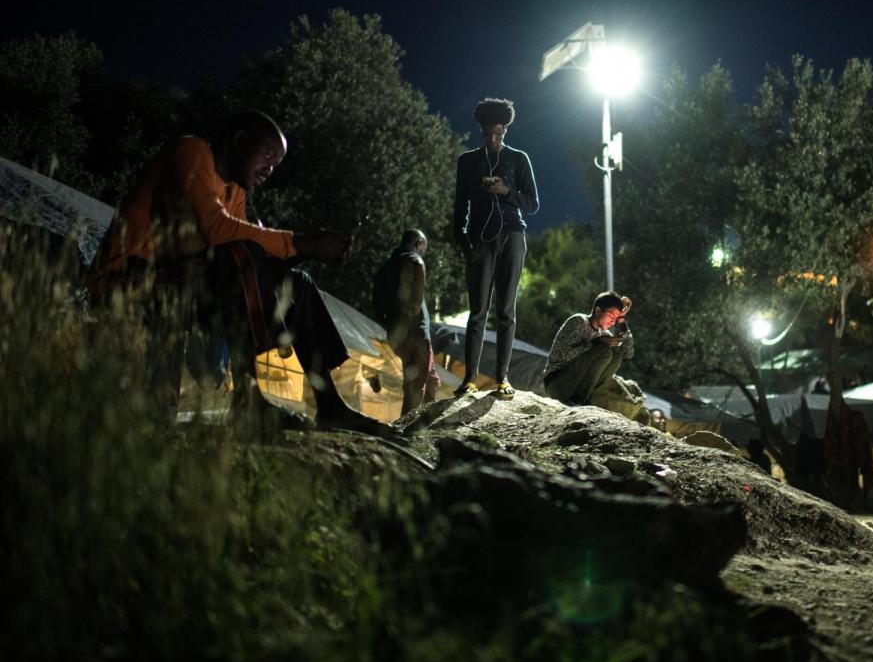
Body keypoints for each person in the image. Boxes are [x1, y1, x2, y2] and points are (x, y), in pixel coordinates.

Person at [88, 110, 373, 430]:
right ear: (239, 140)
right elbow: (217, 231)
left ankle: (332, 405)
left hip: (181, 279)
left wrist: (303, 253)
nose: (269, 169)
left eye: (276, 164)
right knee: (242, 254)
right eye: (267, 155)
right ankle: (250, 400)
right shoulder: (192, 152)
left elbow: (244, 254)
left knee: (299, 283)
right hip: (129, 279)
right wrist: (299, 243)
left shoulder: (235, 192)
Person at [452, 97, 539, 399]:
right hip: (480, 238)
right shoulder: (468, 161)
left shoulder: (519, 159)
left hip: (513, 236)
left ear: (505, 130)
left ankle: (503, 379)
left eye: (498, 134)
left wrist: (506, 191)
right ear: (481, 130)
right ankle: (469, 379)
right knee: (477, 311)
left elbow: (533, 204)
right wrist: (461, 236)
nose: (492, 139)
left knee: (506, 311)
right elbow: (459, 203)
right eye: (488, 133)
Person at [373, 228, 440, 414]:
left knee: (431, 381)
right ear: (418, 244)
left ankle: (424, 425)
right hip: (417, 334)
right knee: (415, 387)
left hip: (396, 336)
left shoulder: (382, 271)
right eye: (423, 249)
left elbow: (376, 310)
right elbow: (416, 305)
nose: (423, 254)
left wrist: (392, 329)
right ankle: (405, 432)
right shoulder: (416, 262)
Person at [544, 291, 634, 406]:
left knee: (616, 352)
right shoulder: (579, 321)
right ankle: (579, 399)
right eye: (611, 316)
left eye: (615, 319)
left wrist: (621, 321)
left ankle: (585, 397)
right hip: (557, 382)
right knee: (604, 350)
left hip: (576, 385)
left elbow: (627, 352)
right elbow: (566, 354)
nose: (612, 322)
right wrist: (596, 342)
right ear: (598, 311)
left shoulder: (603, 333)